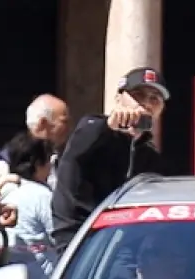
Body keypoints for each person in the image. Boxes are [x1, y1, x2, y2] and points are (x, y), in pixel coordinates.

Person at [51, 67, 169, 247]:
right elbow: (79, 148)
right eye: (138, 95)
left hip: (127, 244)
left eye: (154, 98)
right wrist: (110, 125)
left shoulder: (150, 156)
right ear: (118, 98)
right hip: (81, 242)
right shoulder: (92, 129)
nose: (146, 103)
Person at [0, 135, 58, 276]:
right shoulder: (42, 196)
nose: (50, 166)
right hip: (42, 278)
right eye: (48, 160)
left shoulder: (3, 192)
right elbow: (57, 236)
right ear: (38, 164)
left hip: (5, 276)